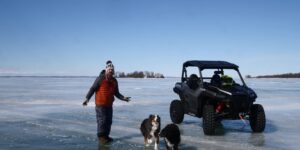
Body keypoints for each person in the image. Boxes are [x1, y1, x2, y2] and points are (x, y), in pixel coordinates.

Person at [82, 60, 131, 144]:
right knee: (102, 120)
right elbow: (92, 89)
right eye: (109, 69)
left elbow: (116, 93)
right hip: (100, 104)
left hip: (109, 105)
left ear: (113, 71)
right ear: (106, 70)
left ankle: (106, 136)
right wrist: (87, 99)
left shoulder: (114, 81)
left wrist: (124, 98)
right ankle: (101, 137)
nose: (110, 71)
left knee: (108, 121)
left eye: (112, 70)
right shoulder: (100, 79)